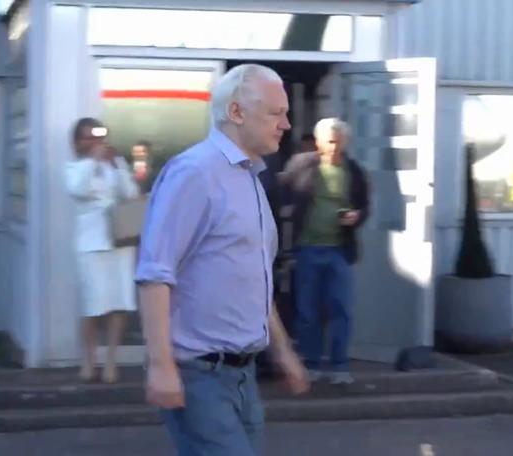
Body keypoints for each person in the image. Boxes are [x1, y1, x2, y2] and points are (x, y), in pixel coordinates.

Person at [135, 63, 309, 456]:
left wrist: (281, 351)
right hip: (200, 375)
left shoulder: (250, 177)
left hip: (242, 375)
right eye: (275, 113)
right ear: (235, 112)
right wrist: (162, 366)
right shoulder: (195, 173)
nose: (285, 124)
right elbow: (154, 274)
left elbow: (254, 278)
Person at [280, 117, 370, 385]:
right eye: (330, 141)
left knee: (340, 309)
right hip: (308, 248)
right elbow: (280, 192)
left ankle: (339, 366)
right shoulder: (301, 165)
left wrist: (357, 216)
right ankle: (311, 363)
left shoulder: (354, 171)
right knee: (308, 310)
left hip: (339, 250)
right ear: (318, 142)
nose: (334, 146)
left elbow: (365, 205)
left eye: (339, 141)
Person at [64, 118, 140, 383]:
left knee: (118, 301)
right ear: (77, 142)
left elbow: (130, 194)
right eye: (87, 137)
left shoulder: (114, 164)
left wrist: (117, 165)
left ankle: (111, 363)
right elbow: (78, 189)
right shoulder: (74, 167)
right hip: (91, 243)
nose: (94, 142)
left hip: (118, 242)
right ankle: (88, 361)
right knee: (93, 304)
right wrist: (94, 161)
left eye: (98, 137)